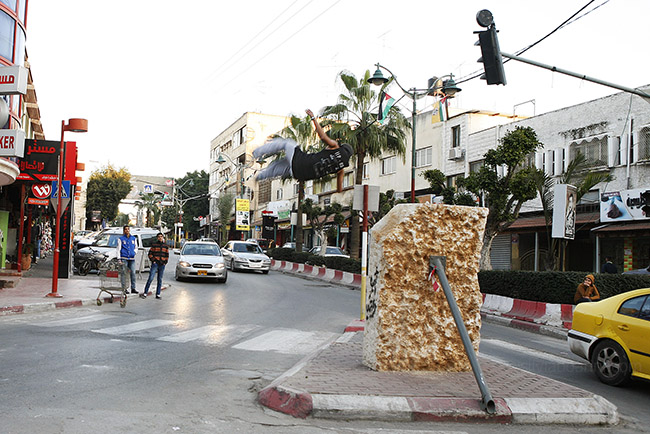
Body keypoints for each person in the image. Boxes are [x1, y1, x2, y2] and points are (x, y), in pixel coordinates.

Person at [252, 108, 353, 193]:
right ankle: (259, 177)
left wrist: (313, 118)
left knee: (288, 143)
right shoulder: (340, 170)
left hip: (299, 159)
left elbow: (322, 136)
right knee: (279, 169)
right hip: (299, 174)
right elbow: (339, 190)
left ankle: (256, 153)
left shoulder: (335, 147)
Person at [141, 232, 168, 300]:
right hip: (155, 263)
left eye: (161, 236)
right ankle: (145, 293)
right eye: (159, 237)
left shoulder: (165, 246)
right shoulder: (154, 245)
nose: (160, 238)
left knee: (160, 279)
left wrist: (165, 262)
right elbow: (150, 254)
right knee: (151, 278)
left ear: (163, 237)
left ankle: (158, 294)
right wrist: (153, 261)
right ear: (157, 238)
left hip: (162, 264)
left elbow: (167, 255)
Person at [116, 225, 138, 294]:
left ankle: (133, 288)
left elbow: (136, 247)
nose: (127, 230)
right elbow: (118, 249)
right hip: (124, 258)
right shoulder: (121, 239)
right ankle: (124, 288)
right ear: (124, 230)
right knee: (124, 273)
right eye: (125, 229)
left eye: (128, 229)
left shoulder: (133, 238)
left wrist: (134, 252)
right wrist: (119, 258)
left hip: (131, 258)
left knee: (133, 273)